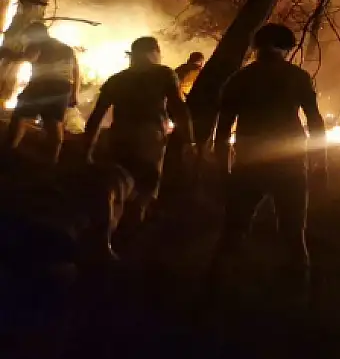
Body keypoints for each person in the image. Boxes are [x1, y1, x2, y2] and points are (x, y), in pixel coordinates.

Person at [208, 23, 327, 293]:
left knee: (233, 231)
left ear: (256, 47)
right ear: (286, 48)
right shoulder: (297, 77)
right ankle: (298, 295)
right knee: (294, 234)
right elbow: (315, 120)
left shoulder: (239, 79)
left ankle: (216, 290)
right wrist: (321, 162)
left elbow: (223, 130)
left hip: (249, 163)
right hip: (290, 164)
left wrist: (222, 169)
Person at [82, 36, 195, 253]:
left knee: (117, 188)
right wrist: (189, 140)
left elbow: (96, 116)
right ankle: (128, 246)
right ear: (154, 52)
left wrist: (88, 149)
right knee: (143, 192)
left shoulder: (117, 79)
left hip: (119, 137)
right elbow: (179, 108)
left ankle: (105, 242)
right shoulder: (164, 74)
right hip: (149, 140)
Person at [0, 22, 80, 163]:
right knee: (54, 122)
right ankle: (52, 161)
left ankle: (9, 152)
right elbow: (76, 71)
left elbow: (30, 56)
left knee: (20, 116)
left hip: (42, 85)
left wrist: (8, 54)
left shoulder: (38, 44)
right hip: (63, 88)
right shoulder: (66, 48)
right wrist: (74, 94)